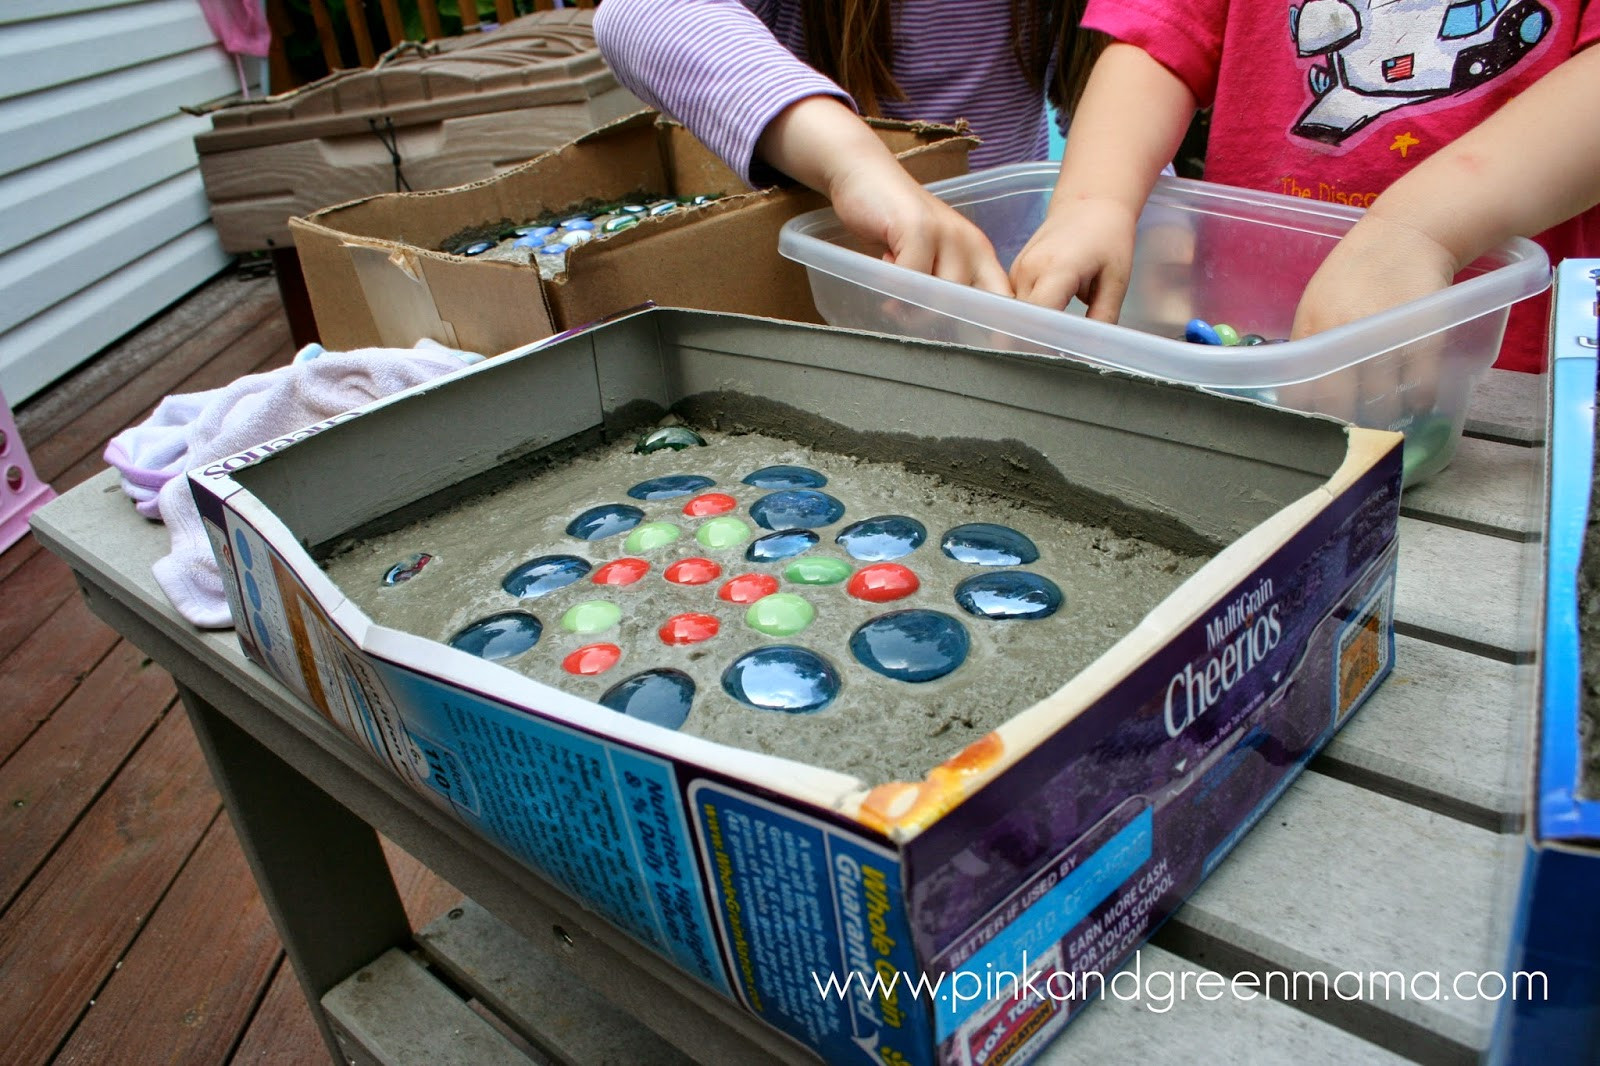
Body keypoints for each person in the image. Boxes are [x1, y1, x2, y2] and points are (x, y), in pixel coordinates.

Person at [1008, 0, 1600, 372]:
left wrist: (1419, 234)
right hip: (1247, 349)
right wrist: (1094, 199)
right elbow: (1160, 37)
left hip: (1488, 388)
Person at [593, 0, 1098, 298]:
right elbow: (638, 13)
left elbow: (1114, 96)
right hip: (835, 296)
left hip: (1015, 288)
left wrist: (1118, 208)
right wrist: (853, 164)